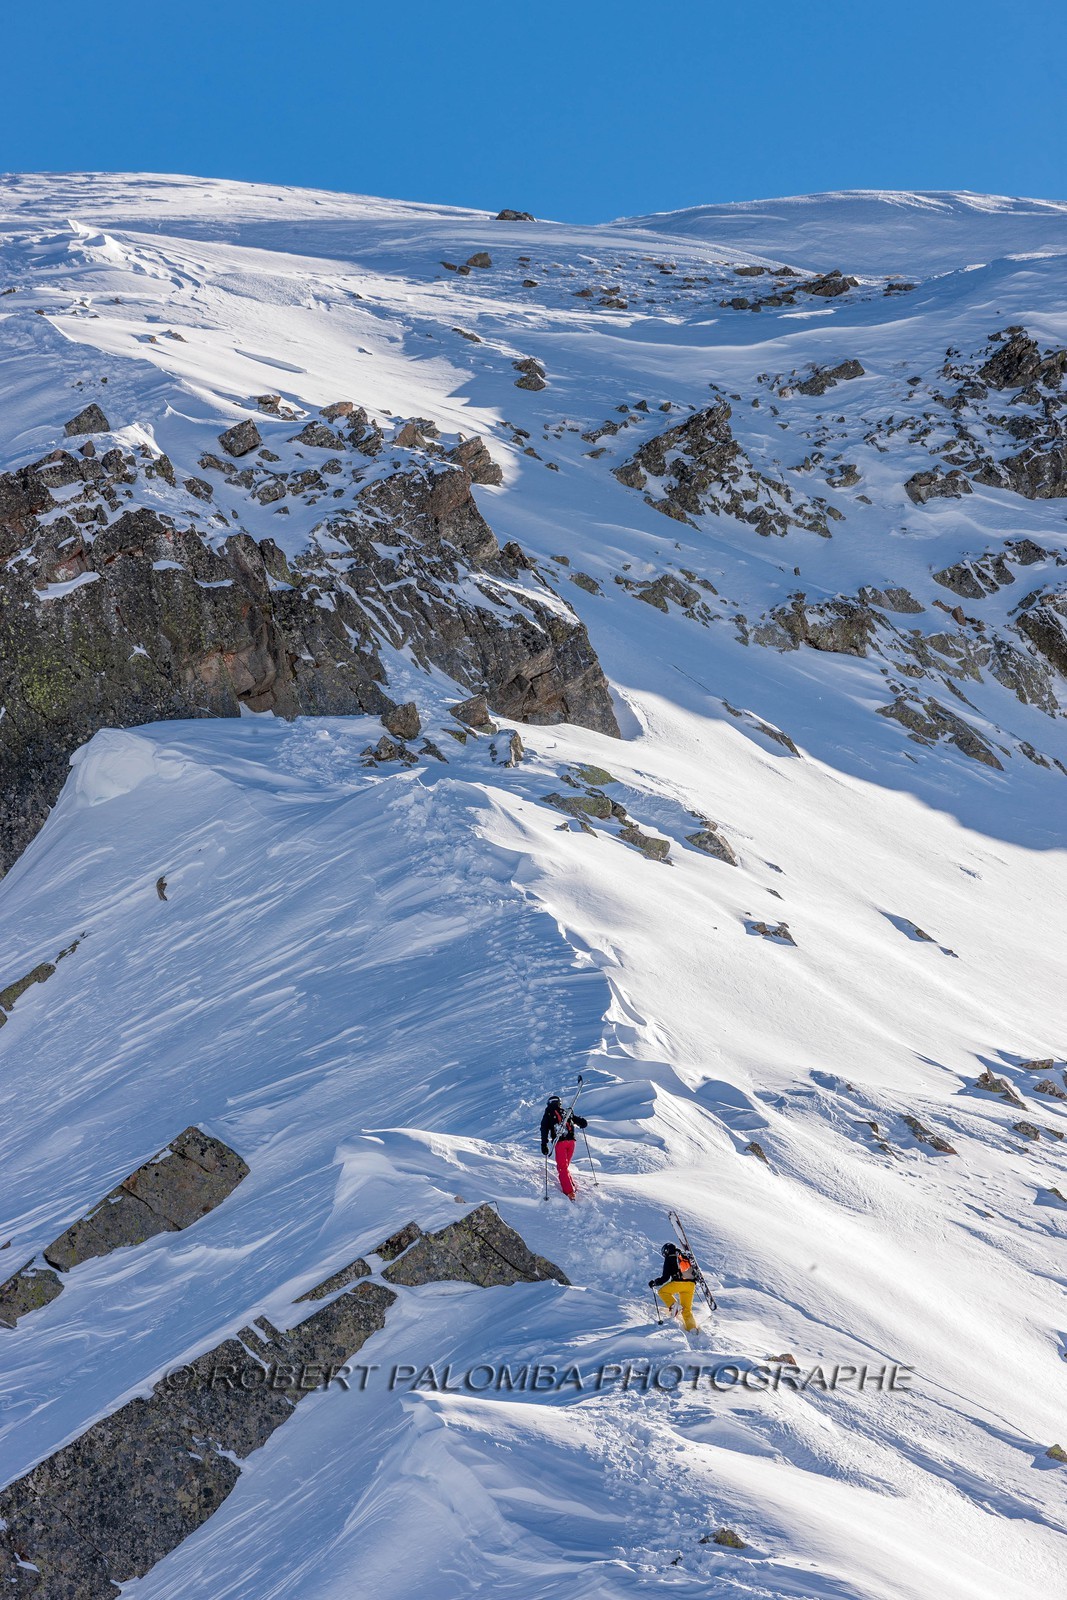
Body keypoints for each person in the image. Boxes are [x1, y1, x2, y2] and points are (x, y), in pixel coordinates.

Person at [540, 1094, 588, 1201]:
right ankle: (571, 1185)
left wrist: (544, 1145)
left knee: (562, 1167)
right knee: (565, 1166)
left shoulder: (548, 1113)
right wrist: (583, 1123)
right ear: (559, 1103)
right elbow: (579, 1121)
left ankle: (569, 1192)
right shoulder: (566, 1112)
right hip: (571, 1142)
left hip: (560, 1143)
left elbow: (544, 1129)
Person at [649, 1242, 699, 1331]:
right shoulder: (683, 1256)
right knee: (686, 1310)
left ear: (666, 1251)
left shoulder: (669, 1258)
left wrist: (655, 1282)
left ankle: (674, 1306)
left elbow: (665, 1277)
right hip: (691, 1285)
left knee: (662, 1292)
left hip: (679, 1283)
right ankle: (692, 1329)